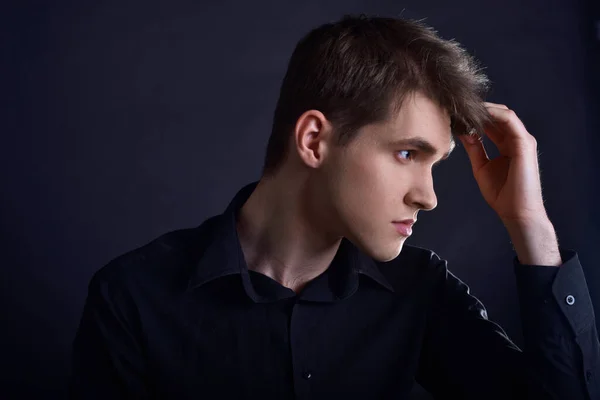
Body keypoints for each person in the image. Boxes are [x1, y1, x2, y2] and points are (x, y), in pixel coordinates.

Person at [69, 14, 599, 399]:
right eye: (407, 153)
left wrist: (530, 227)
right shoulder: (133, 298)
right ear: (315, 140)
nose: (429, 196)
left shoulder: (418, 290)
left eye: (434, 164)